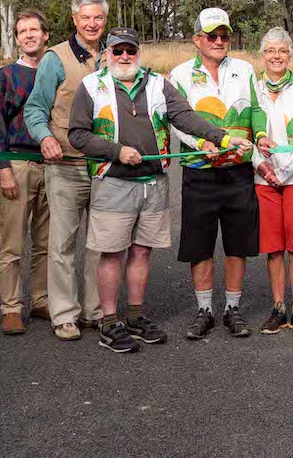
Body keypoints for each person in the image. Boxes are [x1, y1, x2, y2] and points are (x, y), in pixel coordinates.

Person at [69, 28, 250, 353]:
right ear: (107, 53)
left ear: (139, 53)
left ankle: (135, 317)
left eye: (131, 51)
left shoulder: (156, 83)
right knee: (111, 253)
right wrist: (115, 150)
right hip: (113, 180)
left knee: (141, 251)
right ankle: (109, 323)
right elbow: (77, 135)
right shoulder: (91, 86)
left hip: (153, 183)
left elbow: (185, 117)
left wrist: (222, 138)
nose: (125, 57)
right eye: (118, 51)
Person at [169, 7, 274, 340]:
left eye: (224, 36)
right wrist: (199, 141)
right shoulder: (180, 74)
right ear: (197, 39)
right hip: (200, 170)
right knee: (199, 244)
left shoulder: (243, 69)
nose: (218, 41)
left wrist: (259, 136)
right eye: (211, 36)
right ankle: (204, 310)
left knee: (236, 244)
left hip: (237, 170)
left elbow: (256, 110)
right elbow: (176, 118)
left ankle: (232, 308)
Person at [24, 0, 108, 341]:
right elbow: (34, 110)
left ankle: (95, 310)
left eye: (98, 18)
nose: (92, 24)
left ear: (105, 20)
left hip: (104, 167)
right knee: (62, 243)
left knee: (101, 243)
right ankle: (64, 314)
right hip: (66, 165)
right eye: (85, 18)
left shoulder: (114, 55)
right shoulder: (54, 59)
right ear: (74, 20)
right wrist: (44, 138)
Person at [252, 28, 293, 337]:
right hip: (264, 178)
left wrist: (285, 172)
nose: (276, 56)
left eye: (282, 50)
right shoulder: (253, 90)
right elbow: (247, 132)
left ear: (289, 54)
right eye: (270, 51)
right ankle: (278, 307)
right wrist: (265, 169)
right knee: (274, 247)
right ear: (262, 55)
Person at [0, 11, 52, 335]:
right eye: (22, 31)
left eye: (34, 30)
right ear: (17, 38)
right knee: (13, 244)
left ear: (45, 35)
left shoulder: (57, 74)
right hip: (17, 163)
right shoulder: (6, 76)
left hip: (53, 166)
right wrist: (4, 169)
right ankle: (11, 308)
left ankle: (41, 300)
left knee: (46, 243)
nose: (28, 35)